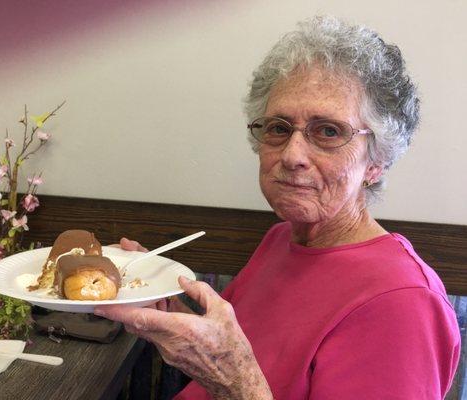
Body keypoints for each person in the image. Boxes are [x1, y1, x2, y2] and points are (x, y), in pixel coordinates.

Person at [94, 16, 460, 399]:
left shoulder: (403, 304)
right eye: (279, 128)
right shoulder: (282, 237)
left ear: (376, 161)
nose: (292, 155)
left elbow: (235, 371)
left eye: (329, 131)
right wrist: (154, 298)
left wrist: (236, 385)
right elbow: (232, 352)